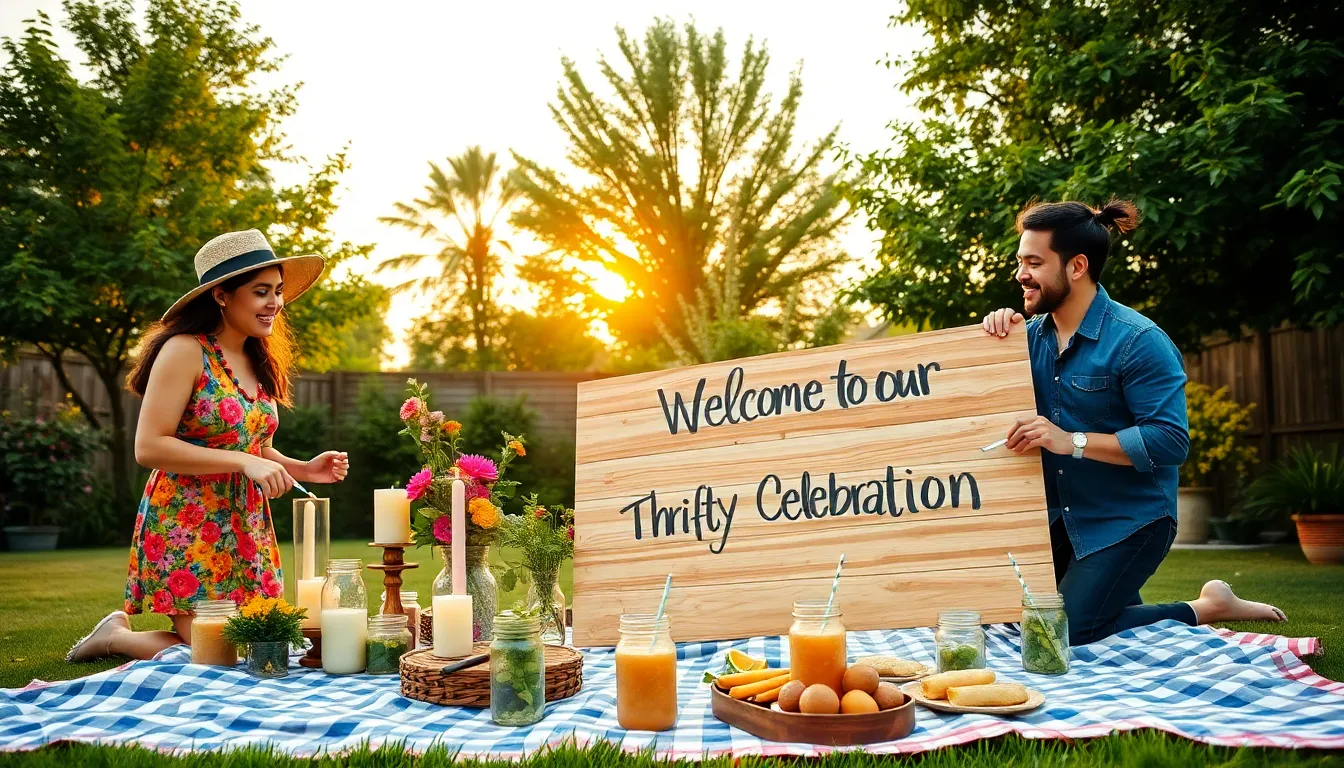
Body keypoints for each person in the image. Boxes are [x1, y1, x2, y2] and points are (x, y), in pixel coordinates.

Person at [981, 199, 1284, 645]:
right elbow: (979, 402)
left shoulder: (1139, 341)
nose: (1021, 274)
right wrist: (991, 338)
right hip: (1058, 520)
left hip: (1130, 519)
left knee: (1054, 635)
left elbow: (1169, 441)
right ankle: (1120, 605)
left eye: (1034, 262)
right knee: (1007, 616)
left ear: (1077, 266)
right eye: (1020, 262)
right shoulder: (1026, 340)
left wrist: (1073, 441)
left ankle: (1208, 607)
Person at [66, 230, 351, 662]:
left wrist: (304, 469)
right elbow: (149, 446)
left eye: (277, 291)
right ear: (221, 295)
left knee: (265, 642)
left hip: (245, 525)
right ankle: (113, 638)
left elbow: (256, 449)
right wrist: (242, 463)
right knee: (218, 649)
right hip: (189, 520)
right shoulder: (185, 351)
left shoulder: (258, 360)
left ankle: (127, 638)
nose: (275, 302)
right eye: (261, 292)